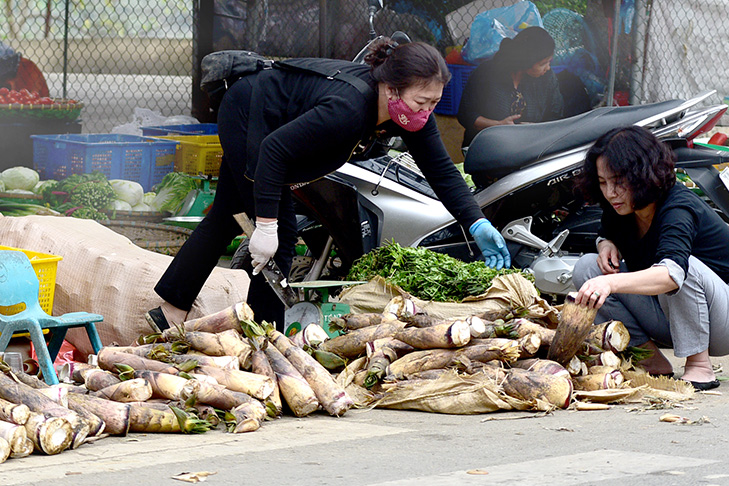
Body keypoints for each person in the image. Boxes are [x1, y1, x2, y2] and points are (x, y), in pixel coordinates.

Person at [147, 37, 511, 330]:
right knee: (283, 235)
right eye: (421, 101)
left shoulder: (410, 113)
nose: (427, 112)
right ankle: (259, 335)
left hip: (268, 124)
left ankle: (170, 310)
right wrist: (267, 225)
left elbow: (442, 171)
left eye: (434, 102)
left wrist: (475, 221)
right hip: (251, 115)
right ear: (391, 89)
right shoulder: (349, 109)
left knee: (226, 215)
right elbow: (274, 151)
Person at [572, 126, 729, 390]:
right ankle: (650, 360)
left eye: (618, 181)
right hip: (671, 318)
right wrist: (605, 244)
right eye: (603, 182)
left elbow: (672, 273)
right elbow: (605, 233)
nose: (610, 192)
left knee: (684, 268)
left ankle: (699, 366)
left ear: (642, 175)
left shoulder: (678, 207)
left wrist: (611, 284)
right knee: (587, 268)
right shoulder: (620, 207)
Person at [457, 26, 564, 149]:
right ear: (527, 61)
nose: (548, 68)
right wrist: (498, 125)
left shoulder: (547, 78)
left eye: (549, 62)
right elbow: (466, 115)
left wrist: (535, 129)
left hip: (532, 146)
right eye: (543, 64)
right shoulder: (487, 73)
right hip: (487, 146)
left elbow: (556, 116)